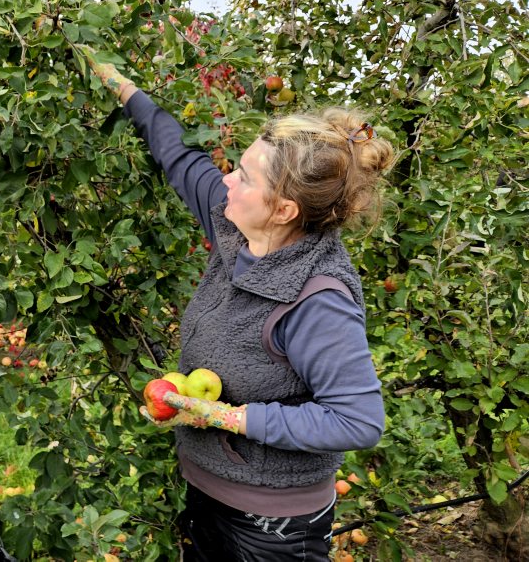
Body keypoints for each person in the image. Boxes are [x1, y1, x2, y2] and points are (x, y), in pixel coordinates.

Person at [85, 48, 391, 561]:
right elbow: (179, 157)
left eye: (245, 176)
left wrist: (231, 419)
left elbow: (359, 420)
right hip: (206, 492)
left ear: (284, 209)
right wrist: (125, 90)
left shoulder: (317, 299)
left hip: (275, 523)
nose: (227, 179)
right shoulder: (235, 228)